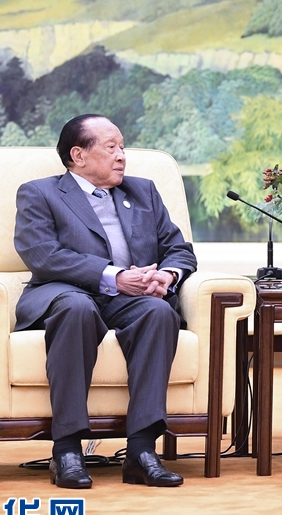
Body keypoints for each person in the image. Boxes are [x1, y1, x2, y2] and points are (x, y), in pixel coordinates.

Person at [13, 114, 197, 489]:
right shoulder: (40, 193)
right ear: (78, 155)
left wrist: (167, 276)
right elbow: (43, 255)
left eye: (122, 147)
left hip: (130, 298)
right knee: (77, 308)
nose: (122, 155)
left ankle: (142, 451)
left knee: (158, 311)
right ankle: (67, 450)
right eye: (111, 147)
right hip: (68, 293)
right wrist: (115, 276)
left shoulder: (142, 192)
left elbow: (179, 250)